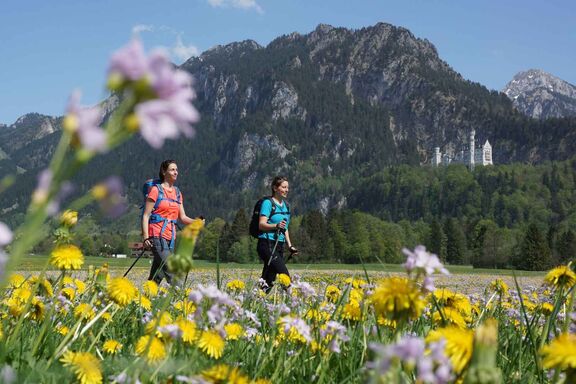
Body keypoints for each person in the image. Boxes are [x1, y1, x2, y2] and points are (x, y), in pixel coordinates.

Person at [142, 159, 199, 285]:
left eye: (177, 170)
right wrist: (146, 238)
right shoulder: (156, 190)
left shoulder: (178, 193)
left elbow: (183, 217)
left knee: (158, 274)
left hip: (170, 237)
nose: (176, 172)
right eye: (172, 169)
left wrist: (196, 222)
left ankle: (145, 298)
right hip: (156, 235)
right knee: (171, 269)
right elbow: (146, 215)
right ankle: (180, 298)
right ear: (163, 172)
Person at [257, 176, 298, 293]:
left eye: (287, 187)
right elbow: (261, 224)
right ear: (275, 188)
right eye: (284, 187)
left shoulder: (286, 206)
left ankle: (256, 300)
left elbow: (285, 227)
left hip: (279, 245)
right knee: (284, 275)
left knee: (269, 279)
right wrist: (275, 226)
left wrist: (290, 246)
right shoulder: (268, 203)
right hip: (267, 244)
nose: (287, 190)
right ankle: (294, 302)